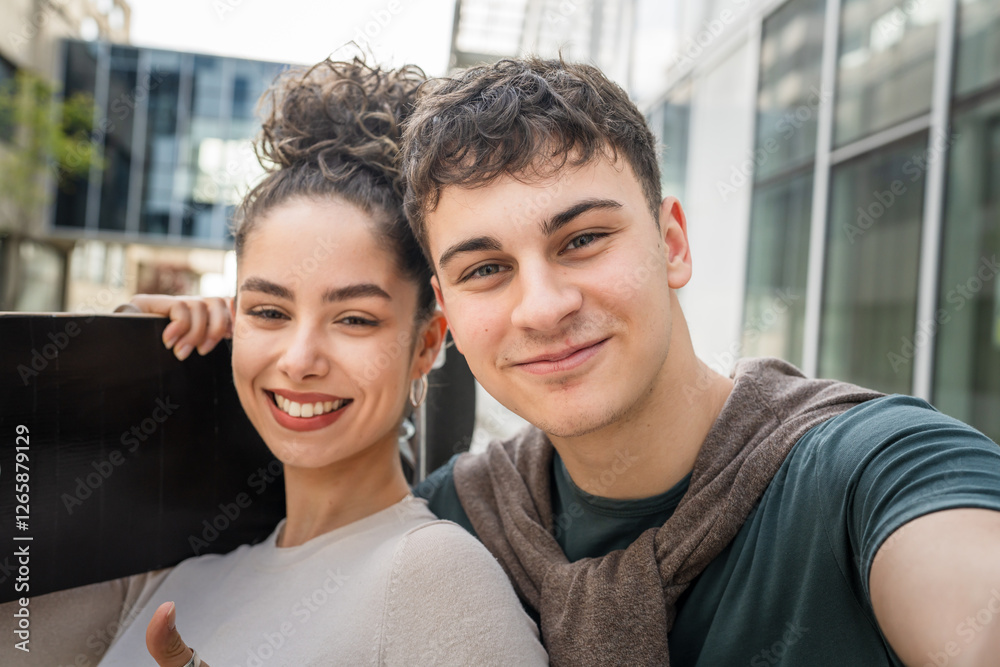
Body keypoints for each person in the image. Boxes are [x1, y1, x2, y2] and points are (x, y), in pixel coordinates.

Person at [130, 58, 1000, 666]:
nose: (543, 305)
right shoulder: (464, 518)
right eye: (485, 269)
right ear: (451, 318)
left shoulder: (869, 471)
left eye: (582, 239)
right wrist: (169, 363)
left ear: (671, 242)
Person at [0, 58, 546, 667]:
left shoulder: (435, 579)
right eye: (268, 312)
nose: (300, 359)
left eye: (354, 319)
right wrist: (99, 377)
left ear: (426, 344)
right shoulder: (174, 566)